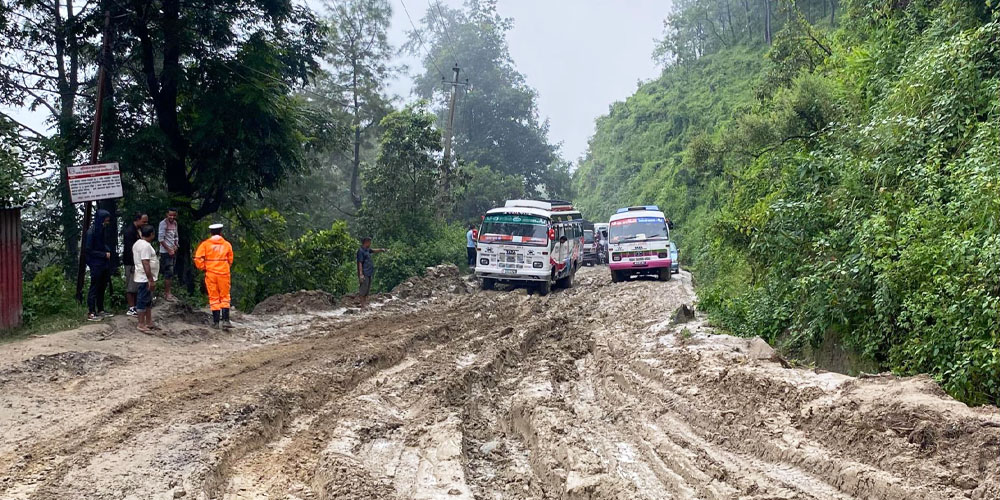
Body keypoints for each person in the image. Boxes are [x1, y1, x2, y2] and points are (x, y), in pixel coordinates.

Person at [194, 223, 234, 329]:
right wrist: (224, 266)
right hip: (224, 274)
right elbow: (230, 259)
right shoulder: (226, 244)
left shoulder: (205, 244)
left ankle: (216, 322)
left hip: (211, 274)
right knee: (225, 296)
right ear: (221, 232)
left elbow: (198, 258)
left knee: (213, 297)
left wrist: (204, 267)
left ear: (211, 233)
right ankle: (226, 320)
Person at [84, 209, 114, 321]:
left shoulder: (102, 230)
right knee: (94, 287)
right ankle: (91, 311)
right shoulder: (91, 232)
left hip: (104, 263)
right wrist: (103, 254)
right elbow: (88, 250)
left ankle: (100, 309)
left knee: (102, 286)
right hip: (96, 263)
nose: (107, 222)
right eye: (105, 220)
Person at [132, 224, 160, 333]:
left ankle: (149, 322)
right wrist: (150, 279)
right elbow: (145, 262)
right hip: (144, 277)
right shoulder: (145, 246)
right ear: (152, 234)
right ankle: (141, 323)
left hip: (144, 276)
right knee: (142, 300)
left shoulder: (138, 244)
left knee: (148, 300)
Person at [122, 212, 148, 317]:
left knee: (138, 285)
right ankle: (131, 307)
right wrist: (134, 263)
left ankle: (137, 305)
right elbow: (130, 249)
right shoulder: (129, 232)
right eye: (143, 221)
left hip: (138, 262)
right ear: (137, 220)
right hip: (131, 262)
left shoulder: (140, 230)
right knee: (130, 285)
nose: (145, 224)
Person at [356, 237, 388, 309]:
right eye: (369, 242)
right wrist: (361, 274)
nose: (370, 243)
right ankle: (362, 305)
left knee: (367, 289)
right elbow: (360, 263)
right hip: (364, 273)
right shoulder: (360, 251)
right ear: (366, 242)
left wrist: (381, 250)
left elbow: (373, 250)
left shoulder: (367, 250)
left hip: (369, 272)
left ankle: (365, 304)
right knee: (363, 289)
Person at [158, 208, 179, 301]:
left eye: (174, 215)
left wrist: (176, 245)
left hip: (173, 250)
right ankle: (167, 293)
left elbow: (175, 236)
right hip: (166, 252)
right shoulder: (163, 224)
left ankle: (169, 292)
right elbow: (161, 239)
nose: (172, 217)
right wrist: (169, 249)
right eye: (170, 215)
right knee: (168, 272)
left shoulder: (175, 223)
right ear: (167, 214)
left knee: (172, 272)